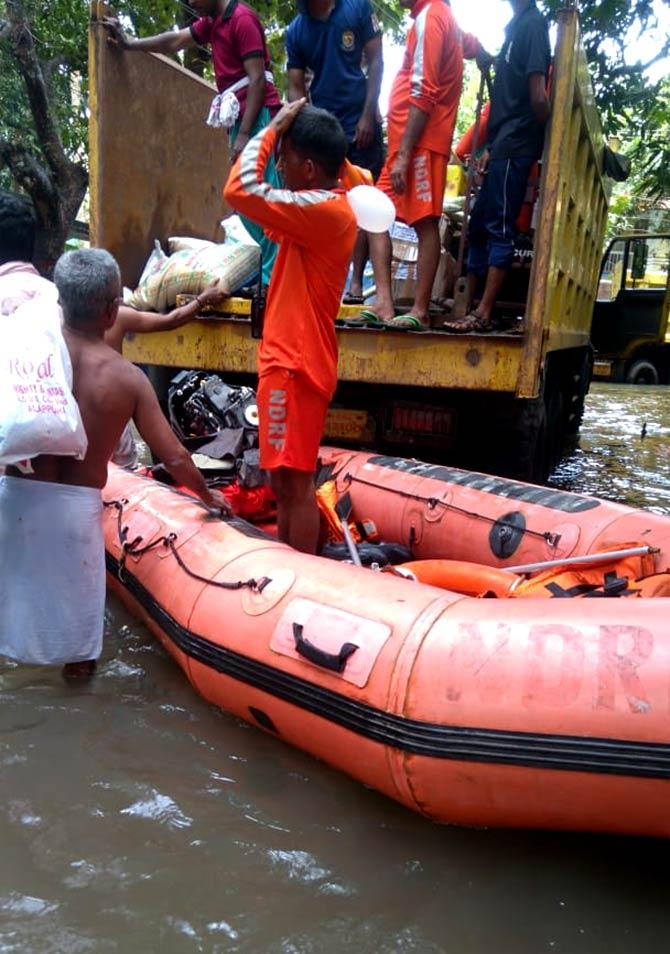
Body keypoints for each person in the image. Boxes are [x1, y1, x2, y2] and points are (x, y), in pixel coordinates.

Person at [0, 249, 224, 682]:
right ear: (110, 312)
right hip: (75, 512)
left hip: (15, 502)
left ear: (60, 303)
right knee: (80, 640)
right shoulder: (127, 378)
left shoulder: (23, 355)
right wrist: (206, 493)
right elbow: (174, 455)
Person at [224, 101, 357, 553]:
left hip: (293, 364)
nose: (278, 165)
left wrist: (274, 126)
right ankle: (300, 565)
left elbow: (239, 189)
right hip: (296, 360)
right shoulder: (332, 199)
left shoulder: (321, 210)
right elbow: (354, 174)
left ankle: (296, 575)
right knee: (286, 483)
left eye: (286, 157)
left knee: (293, 486)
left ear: (309, 168)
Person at [103, 0, 281, 286]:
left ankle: (272, 280)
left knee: (263, 198)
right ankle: (264, 276)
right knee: (246, 202)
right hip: (241, 120)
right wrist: (129, 44)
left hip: (258, 119)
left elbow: (257, 80)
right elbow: (175, 40)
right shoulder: (214, 22)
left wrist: (246, 135)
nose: (192, 4)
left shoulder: (241, 19)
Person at [357, 0, 487, 330]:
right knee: (375, 217)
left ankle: (419, 309)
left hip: (419, 145)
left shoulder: (432, 17)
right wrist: (483, 53)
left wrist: (404, 154)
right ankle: (384, 303)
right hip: (406, 144)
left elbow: (423, 88)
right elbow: (469, 44)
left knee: (424, 223)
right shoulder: (441, 19)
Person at [443, 0, 550, 333]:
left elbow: (538, 97)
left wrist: (539, 139)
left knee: (500, 227)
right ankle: (470, 305)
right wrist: (491, 146)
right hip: (503, 143)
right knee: (478, 228)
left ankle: (483, 312)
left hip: (516, 142)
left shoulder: (532, 25)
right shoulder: (515, 27)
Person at [286, 0, 384, 302]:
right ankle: (329, 285)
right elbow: (296, 87)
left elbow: (376, 61)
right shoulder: (296, 30)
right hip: (325, 134)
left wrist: (368, 115)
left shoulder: (357, 8)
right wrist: (300, 134)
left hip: (361, 126)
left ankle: (364, 288)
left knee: (367, 208)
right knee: (326, 207)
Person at [107, 280, 228, 469]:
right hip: (111, 407)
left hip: (84, 406)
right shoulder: (118, 317)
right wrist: (202, 299)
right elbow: (171, 320)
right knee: (126, 472)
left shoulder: (64, 318)